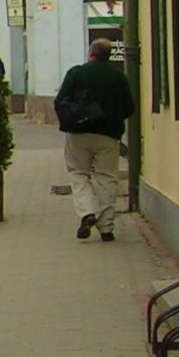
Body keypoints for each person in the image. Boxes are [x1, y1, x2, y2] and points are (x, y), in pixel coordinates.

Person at [54, 38, 135, 241]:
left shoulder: (77, 73)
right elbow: (129, 108)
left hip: (78, 133)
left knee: (78, 173)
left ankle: (87, 212)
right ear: (108, 56)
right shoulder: (119, 76)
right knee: (107, 178)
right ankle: (106, 227)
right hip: (108, 135)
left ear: (91, 54)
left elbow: (60, 101)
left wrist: (71, 117)